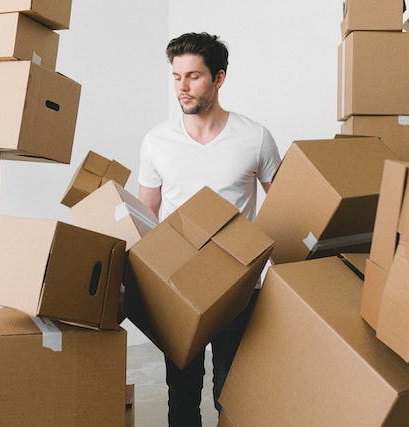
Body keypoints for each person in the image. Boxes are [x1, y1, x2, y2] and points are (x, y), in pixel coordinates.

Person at [138, 32, 281, 427]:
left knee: (231, 394)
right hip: (177, 287)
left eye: (194, 76)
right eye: (176, 76)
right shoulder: (156, 142)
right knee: (181, 397)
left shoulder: (255, 137)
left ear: (219, 78)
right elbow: (145, 216)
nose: (182, 87)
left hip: (238, 287)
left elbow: (289, 205)